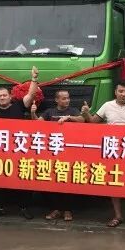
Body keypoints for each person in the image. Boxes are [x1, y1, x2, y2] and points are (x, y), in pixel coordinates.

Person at [82, 81, 125, 230]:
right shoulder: (107, 106)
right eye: (121, 91)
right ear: (115, 92)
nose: (123, 94)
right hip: (112, 151)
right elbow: (93, 121)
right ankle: (118, 216)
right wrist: (86, 113)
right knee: (114, 183)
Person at [0, 66, 40, 220]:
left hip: (19, 150)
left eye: (4, 95)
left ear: (10, 96)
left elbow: (31, 94)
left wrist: (34, 79)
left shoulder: (19, 106)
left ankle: (24, 208)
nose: (2, 98)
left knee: (23, 180)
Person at [33, 89, 84, 222]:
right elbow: (38, 123)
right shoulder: (49, 112)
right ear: (56, 100)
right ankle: (56, 209)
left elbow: (82, 120)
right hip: (52, 152)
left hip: (69, 152)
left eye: (68, 98)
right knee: (50, 181)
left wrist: (69, 118)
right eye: (63, 98)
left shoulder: (73, 111)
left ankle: (67, 210)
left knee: (67, 181)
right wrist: (33, 113)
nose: (67, 101)